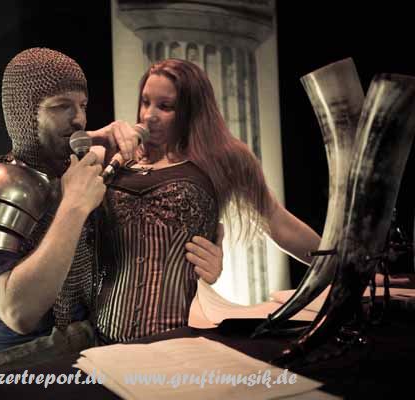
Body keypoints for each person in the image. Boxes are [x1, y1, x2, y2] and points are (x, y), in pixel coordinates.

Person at [0, 48, 223, 397]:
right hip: (15, 375)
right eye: (61, 106)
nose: (78, 118)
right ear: (24, 113)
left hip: (90, 360)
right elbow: (19, 312)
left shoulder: (80, 172)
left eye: (82, 105)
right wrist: (74, 207)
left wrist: (206, 266)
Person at [95, 58, 321, 344]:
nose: (149, 115)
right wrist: (98, 136)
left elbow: (278, 221)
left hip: (182, 336)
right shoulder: (117, 155)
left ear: (192, 110)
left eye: (165, 106)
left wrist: (341, 267)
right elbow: (53, 167)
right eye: (145, 102)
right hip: (103, 334)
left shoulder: (225, 158)